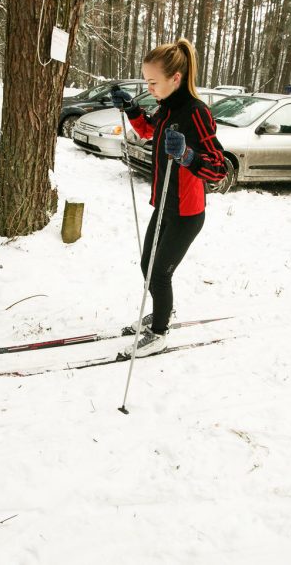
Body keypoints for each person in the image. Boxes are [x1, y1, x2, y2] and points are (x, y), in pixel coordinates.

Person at [109, 38, 227, 357]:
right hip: (164, 206)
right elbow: (149, 130)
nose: (149, 88)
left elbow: (219, 168)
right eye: (145, 81)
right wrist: (132, 108)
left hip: (187, 213)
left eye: (153, 82)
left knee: (161, 272)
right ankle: (164, 312)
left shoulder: (196, 113)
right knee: (148, 265)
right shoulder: (166, 107)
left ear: (175, 78)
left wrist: (189, 156)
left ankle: (159, 333)